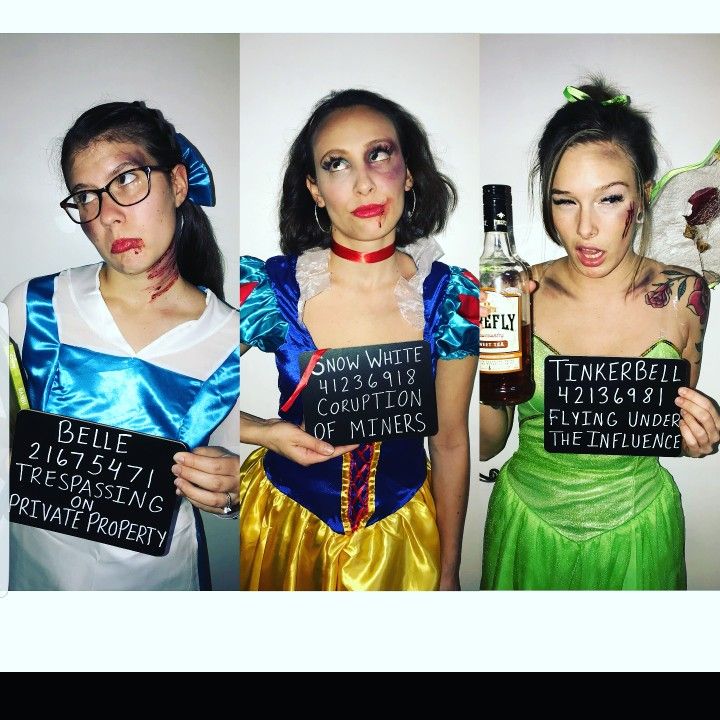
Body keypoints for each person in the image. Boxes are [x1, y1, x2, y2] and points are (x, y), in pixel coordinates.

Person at [480, 80, 720, 590]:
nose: (585, 228)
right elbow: (485, 445)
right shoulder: (517, 293)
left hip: (639, 532)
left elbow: (668, 424)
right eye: (565, 202)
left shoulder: (687, 294)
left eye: (609, 199)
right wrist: (486, 347)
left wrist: (698, 433)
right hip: (528, 526)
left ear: (644, 194)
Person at [240, 89, 479, 590]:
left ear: (408, 172)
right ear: (315, 189)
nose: (365, 184)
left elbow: (452, 442)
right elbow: (184, 383)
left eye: (378, 155)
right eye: (337, 164)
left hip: (401, 540)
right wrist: (263, 431)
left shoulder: (449, 299)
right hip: (285, 528)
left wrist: (450, 570)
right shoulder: (273, 290)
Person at [6, 101, 240, 590]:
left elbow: (242, 475)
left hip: (162, 584)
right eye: (86, 196)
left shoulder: (231, 339)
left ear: (177, 184)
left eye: (127, 179)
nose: (108, 215)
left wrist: (235, 486)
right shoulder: (31, 307)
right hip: (38, 584)